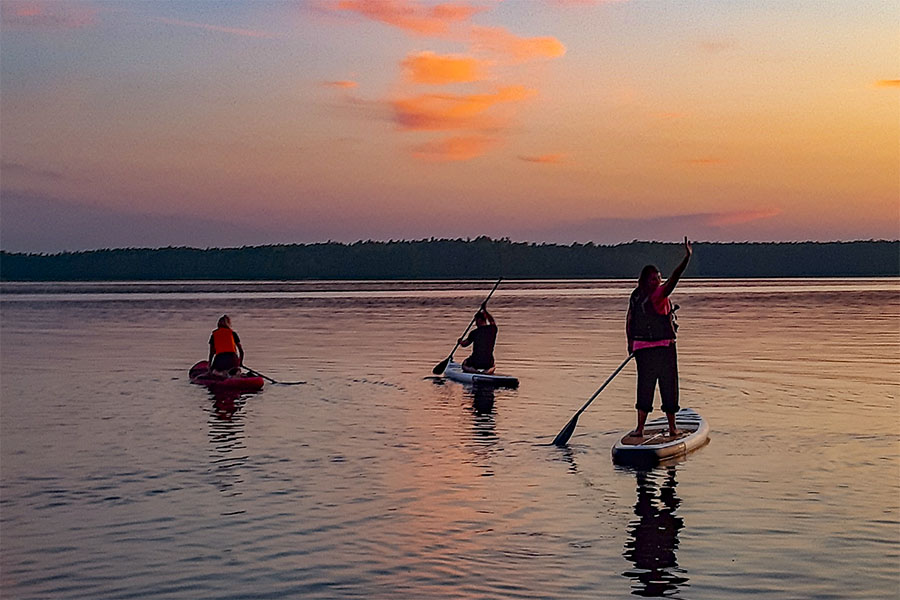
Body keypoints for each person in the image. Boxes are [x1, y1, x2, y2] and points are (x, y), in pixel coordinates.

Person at [625, 237, 692, 438]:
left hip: (642, 349)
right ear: (646, 281)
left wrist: (631, 345)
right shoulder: (658, 294)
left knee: (645, 385)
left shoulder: (636, 295)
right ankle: (671, 429)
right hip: (662, 349)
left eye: (658, 277)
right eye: (654, 278)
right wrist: (687, 258)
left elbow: (629, 321)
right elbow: (675, 278)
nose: (658, 281)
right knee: (668, 386)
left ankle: (640, 429)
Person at [458, 302, 498, 374]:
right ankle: (488, 371)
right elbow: (492, 321)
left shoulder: (474, 333)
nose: (475, 323)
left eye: (476, 321)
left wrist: (460, 341)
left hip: (476, 362)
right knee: (492, 363)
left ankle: (474, 371)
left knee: (464, 364)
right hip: (488, 362)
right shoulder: (492, 329)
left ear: (479, 320)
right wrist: (485, 311)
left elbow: (465, 344)